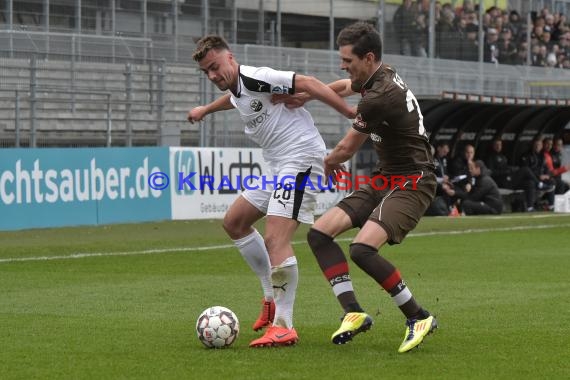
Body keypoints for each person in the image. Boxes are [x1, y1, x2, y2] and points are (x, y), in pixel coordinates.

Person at [279, 21, 438, 353]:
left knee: (362, 249)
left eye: (348, 60)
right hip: (385, 178)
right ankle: (353, 311)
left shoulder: (380, 96)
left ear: (367, 58)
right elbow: (346, 85)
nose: (343, 65)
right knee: (319, 233)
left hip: (413, 181)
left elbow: (347, 149)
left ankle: (418, 316)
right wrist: (309, 94)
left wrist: (329, 162)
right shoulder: (378, 75)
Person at [187, 35, 355, 347]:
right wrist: (205, 110)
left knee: (276, 238)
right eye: (206, 72)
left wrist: (347, 113)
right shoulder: (239, 87)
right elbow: (236, 99)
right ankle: (269, 299)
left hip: (302, 158)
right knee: (235, 222)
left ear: (230, 58)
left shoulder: (257, 76)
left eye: (215, 67)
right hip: (279, 164)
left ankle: (283, 325)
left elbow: (308, 82)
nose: (212, 76)